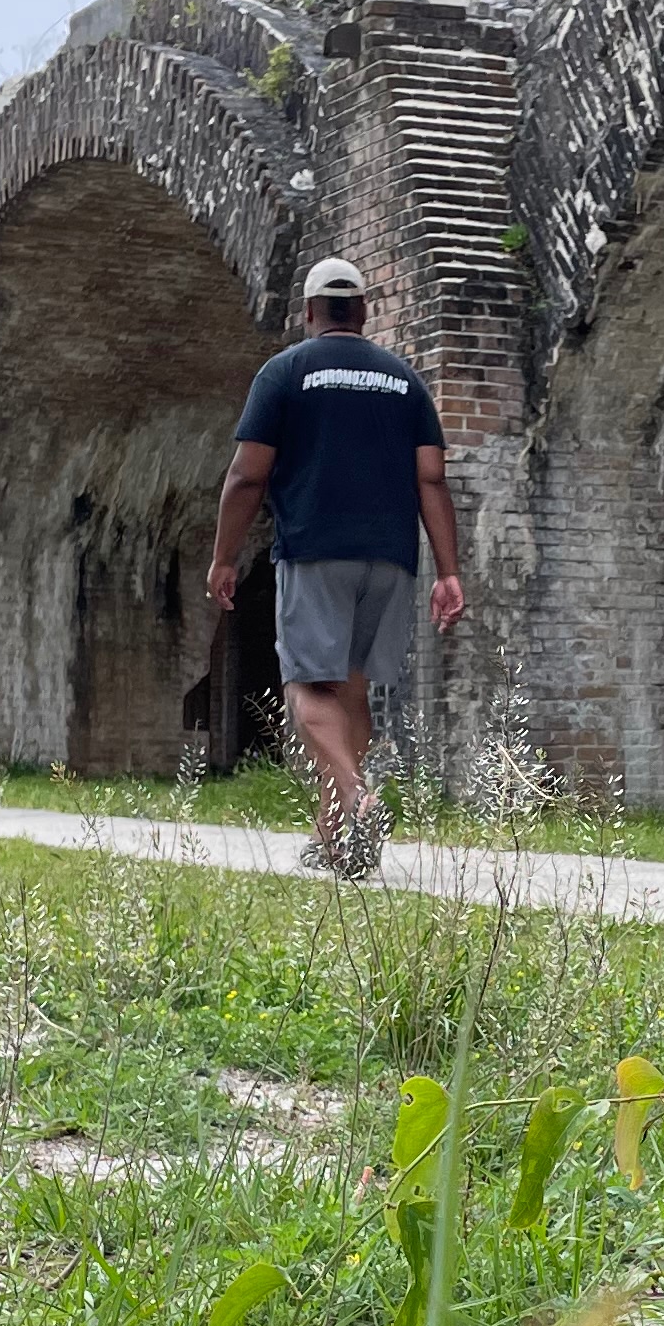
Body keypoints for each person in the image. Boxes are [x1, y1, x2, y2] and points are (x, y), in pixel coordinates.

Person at [208, 255, 463, 878]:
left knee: (304, 687)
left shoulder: (286, 371)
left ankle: (358, 797)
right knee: (349, 691)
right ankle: (334, 840)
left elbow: (247, 475)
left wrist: (223, 556)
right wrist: (449, 571)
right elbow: (431, 478)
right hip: (392, 561)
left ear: (309, 312)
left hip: (316, 551)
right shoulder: (406, 381)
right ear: (365, 311)